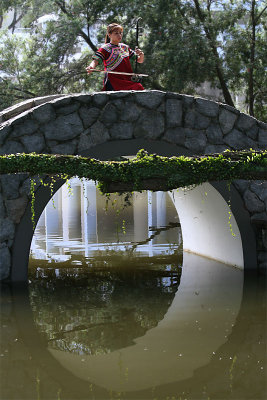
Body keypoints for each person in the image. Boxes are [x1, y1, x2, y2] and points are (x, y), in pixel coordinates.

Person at [86, 23, 145, 91]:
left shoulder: (125, 47)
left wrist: (141, 54)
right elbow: (95, 60)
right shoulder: (105, 48)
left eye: (120, 33)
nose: (119, 35)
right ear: (109, 35)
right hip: (113, 81)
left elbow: (140, 60)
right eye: (116, 33)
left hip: (127, 79)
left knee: (138, 87)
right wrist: (91, 67)